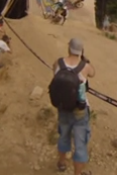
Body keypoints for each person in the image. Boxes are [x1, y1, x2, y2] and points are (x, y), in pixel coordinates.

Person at [49, 38, 95, 175]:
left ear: (69, 48)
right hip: (79, 109)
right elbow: (93, 73)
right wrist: (86, 61)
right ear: (81, 50)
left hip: (62, 106)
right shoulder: (84, 66)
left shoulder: (58, 62)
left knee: (63, 135)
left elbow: (55, 74)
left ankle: (62, 163)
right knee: (80, 143)